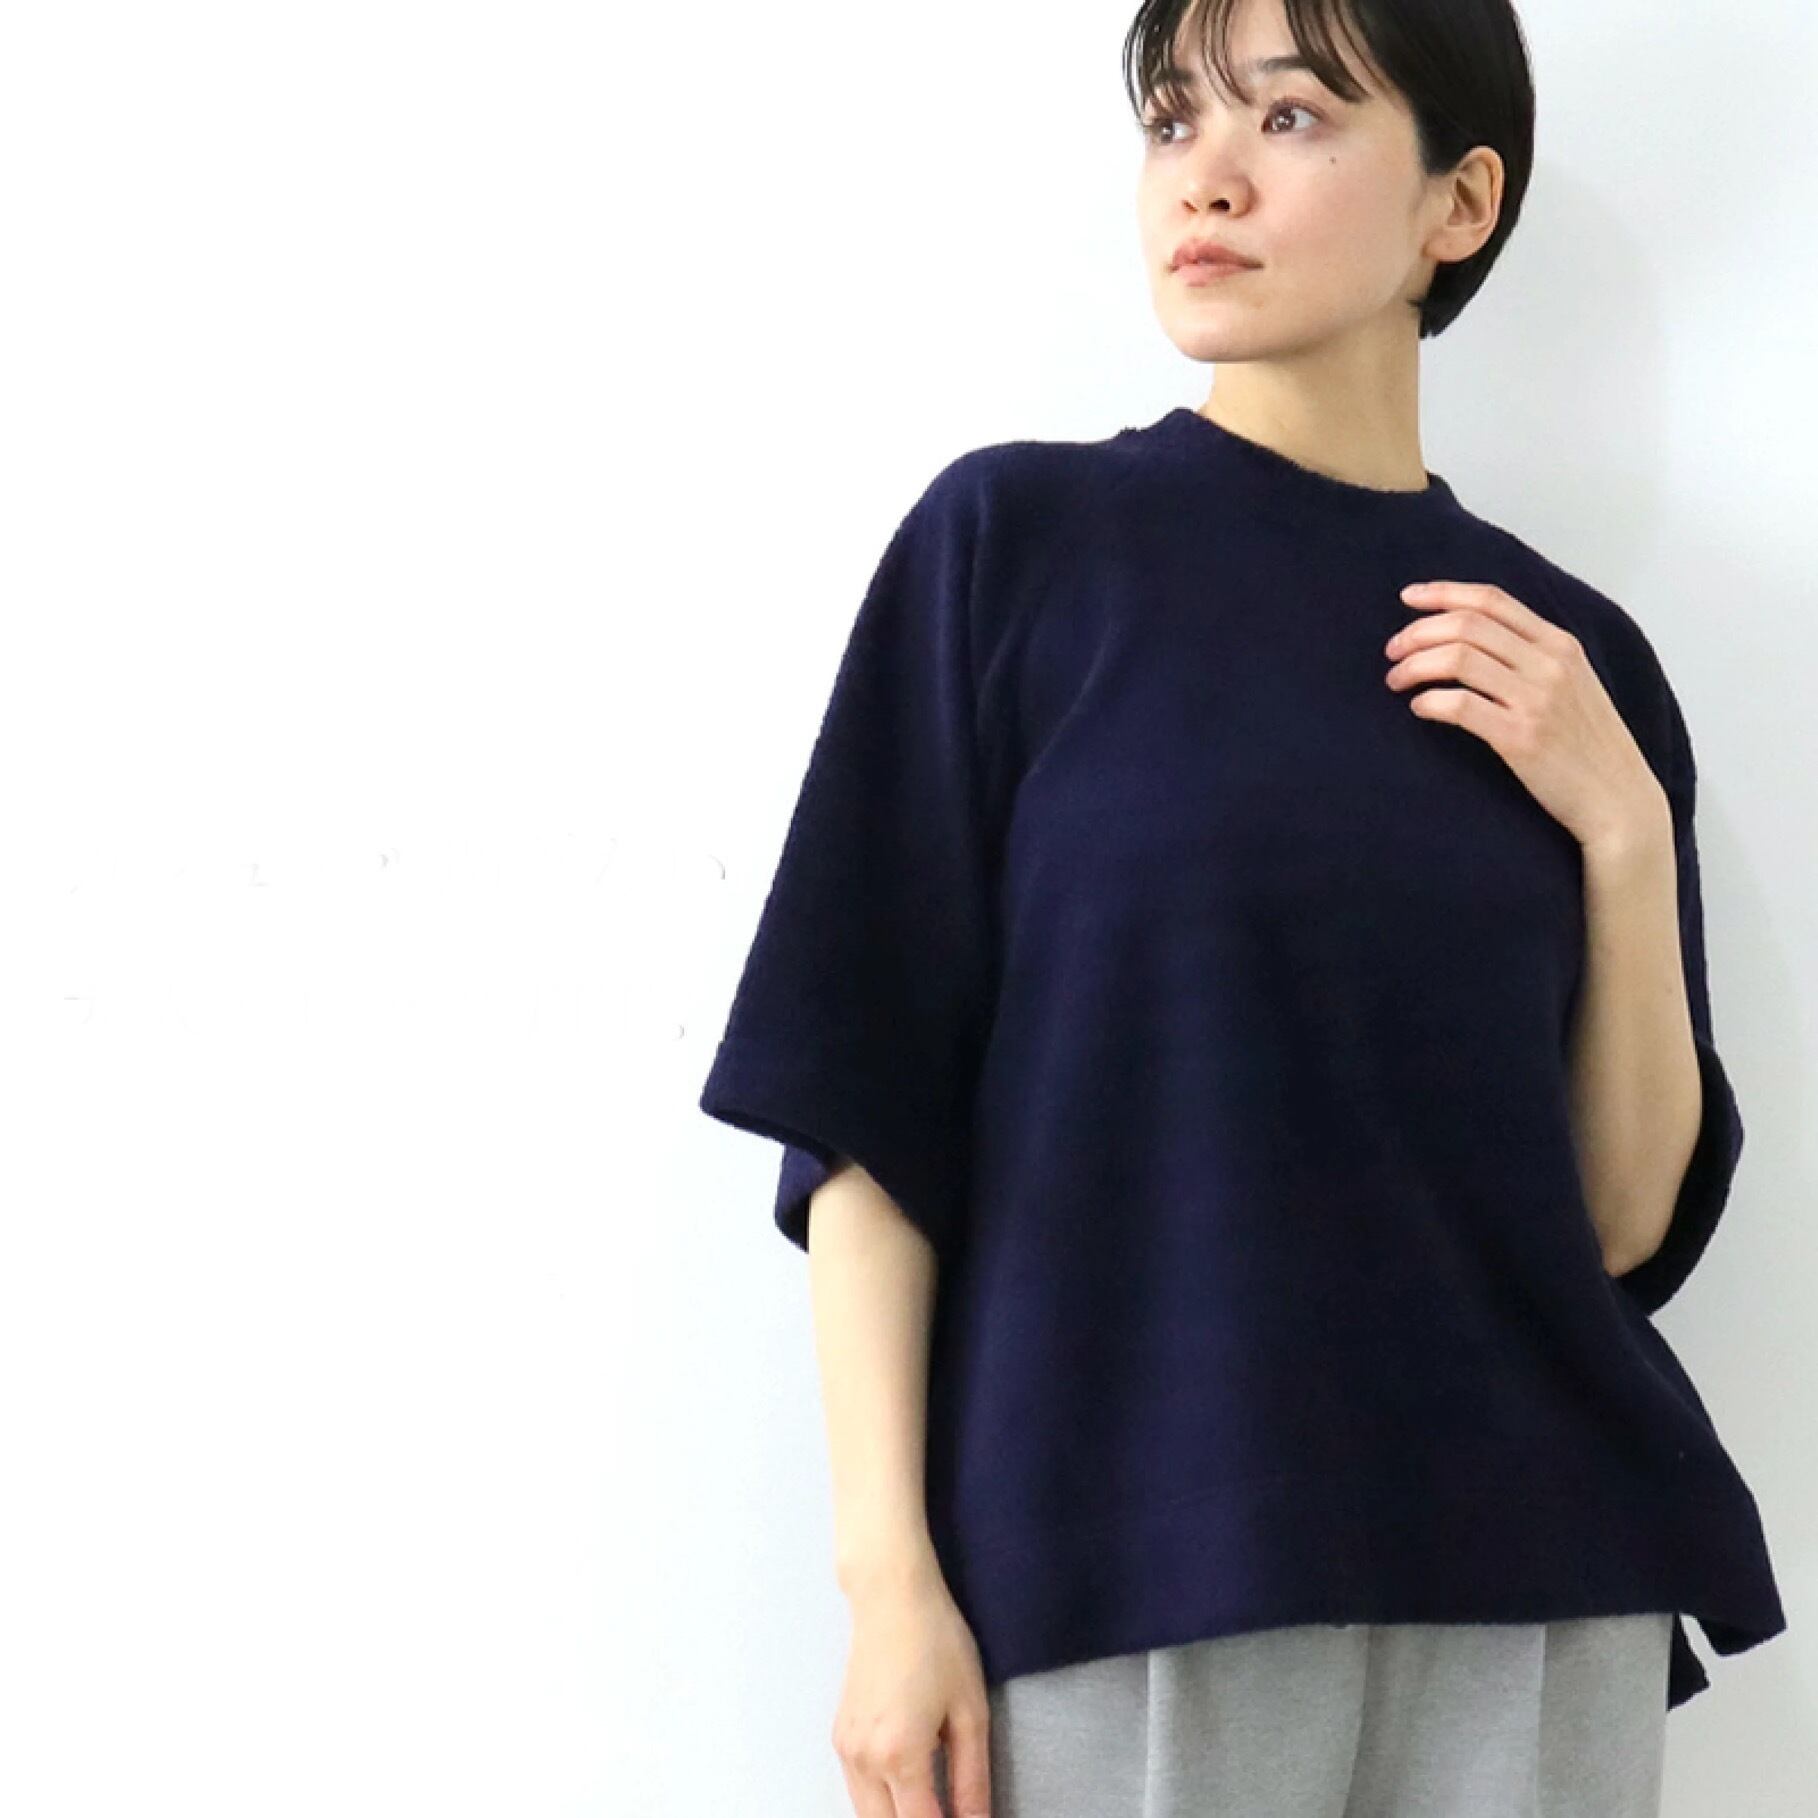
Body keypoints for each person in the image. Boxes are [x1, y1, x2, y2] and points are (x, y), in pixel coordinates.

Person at [697, 0, 1788, 1812]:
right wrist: (888, 1586)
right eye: (1168, 120)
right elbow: (866, 1114)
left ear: (1457, 203)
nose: (1201, 176)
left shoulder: (1568, 659)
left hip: (1534, 1573)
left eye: (1286, 119)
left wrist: (1622, 826)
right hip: (1124, 1566)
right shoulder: (1016, 552)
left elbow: (1611, 1221)